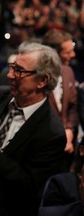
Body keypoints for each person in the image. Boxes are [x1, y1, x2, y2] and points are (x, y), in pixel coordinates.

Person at [0, 42, 67, 216]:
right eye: (12, 67)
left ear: (43, 80)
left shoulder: (52, 132)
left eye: (19, 71)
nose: (10, 75)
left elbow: (28, 187)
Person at [42, 29, 79, 170]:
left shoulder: (68, 71)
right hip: (45, 147)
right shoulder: (37, 74)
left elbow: (73, 107)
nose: (73, 55)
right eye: (68, 52)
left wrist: (69, 131)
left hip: (66, 149)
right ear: (53, 53)